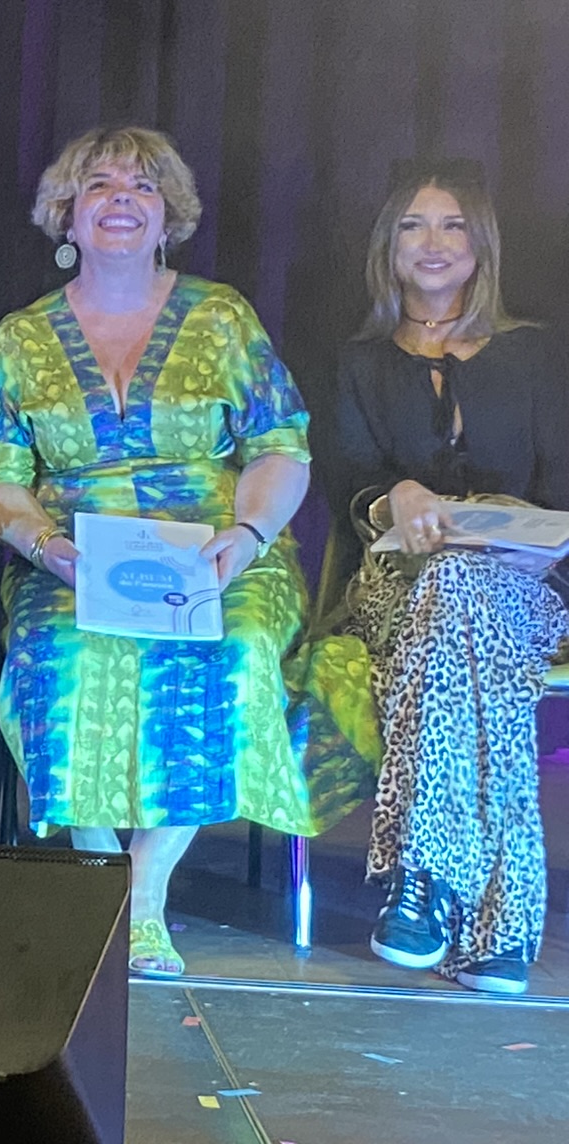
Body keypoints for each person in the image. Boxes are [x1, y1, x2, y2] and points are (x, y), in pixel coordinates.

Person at [0, 126, 321, 978]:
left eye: (142, 187)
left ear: (169, 217)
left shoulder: (222, 317)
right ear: (68, 215)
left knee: (230, 649)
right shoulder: (22, 337)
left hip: (217, 547)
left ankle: (146, 890)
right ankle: (101, 880)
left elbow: (281, 446)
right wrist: (48, 548)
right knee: (59, 654)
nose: (121, 199)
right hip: (74, 553)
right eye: (100, 185)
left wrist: (247, 535)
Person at [324, 160, 568, 996]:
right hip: (399, 585)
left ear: (481, 243)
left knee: (465, 599)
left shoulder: (537, 354)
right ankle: (504, 925)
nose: (433, 242)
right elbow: (346, 477)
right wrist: (392, 493)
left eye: (453, 224)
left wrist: (539, 546)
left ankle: (423, 883)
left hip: (525, 589)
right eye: (413, 225)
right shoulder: (360, 362)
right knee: (453, 595)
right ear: (388, 247)